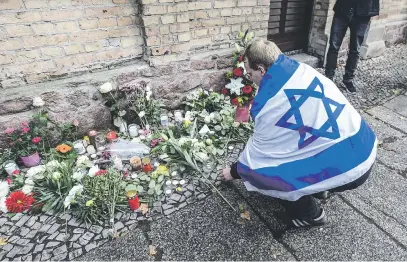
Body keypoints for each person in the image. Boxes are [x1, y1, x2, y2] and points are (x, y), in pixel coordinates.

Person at [223, 39, 377, 228]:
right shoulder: (303, 71)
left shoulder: (268, 105)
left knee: (273, 172)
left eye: (250, 72)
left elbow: (259, 157)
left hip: (350, 168)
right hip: (364, 144)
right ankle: (322, 188)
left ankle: (310, 214)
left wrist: (233, 171)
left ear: (262, 70)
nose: (248, 76)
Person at [325, 0, 380, 93]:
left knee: (355, 50)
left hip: (363, 14)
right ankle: (328, 78)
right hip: (343, 10)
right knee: (333, 46)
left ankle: (348, 80)